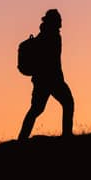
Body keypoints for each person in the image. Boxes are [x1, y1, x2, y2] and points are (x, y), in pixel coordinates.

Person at [18, 8, 74, 141]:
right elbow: (52, 61)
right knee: (67, 103)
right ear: (54, 21)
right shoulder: (50, 36)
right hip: (51, 79)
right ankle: (67, 136)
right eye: (59, 19)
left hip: (43, 80)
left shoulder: (45, 35)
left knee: (37, 109)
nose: (61, 21)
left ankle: (21, 138)